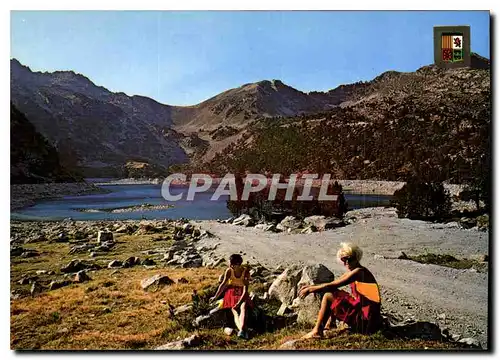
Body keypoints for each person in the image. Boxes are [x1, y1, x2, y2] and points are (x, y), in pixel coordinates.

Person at [298, 242, 382, 339]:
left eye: (349, 259)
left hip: (367, 319)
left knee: (328, 296)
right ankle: (329, 325)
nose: (346, 262)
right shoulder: (354, 271)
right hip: (367, 315)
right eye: (343, 259)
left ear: (356, 258)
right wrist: (312, 286)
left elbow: (335, 284)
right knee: (336, 294)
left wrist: (311, 289)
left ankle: (317, 331)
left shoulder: (359, 272)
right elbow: (334, 284)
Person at [210, 254, 253, 339]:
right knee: (234, 310)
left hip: (242, 293)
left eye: (232, 264)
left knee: (243, 307)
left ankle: (242, 330)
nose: (230, 266)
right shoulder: (229, 271)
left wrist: (239, 302)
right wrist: (215, 296)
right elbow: (223, 284)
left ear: (238, 264)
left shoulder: (246, 272)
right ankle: (242, 330)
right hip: (232, 292)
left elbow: (245, 290)